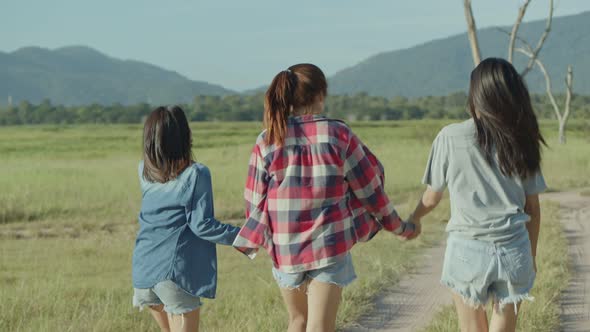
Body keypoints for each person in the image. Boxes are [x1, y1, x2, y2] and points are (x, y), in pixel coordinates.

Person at [232, 63, 415, 332]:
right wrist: (398, 226)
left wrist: (266, 240)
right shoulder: (339, 134)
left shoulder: (267, 139)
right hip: (329, 244)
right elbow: (370, 189)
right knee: (320, 326)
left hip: (285, 249)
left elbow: (254, 202)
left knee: (297, 321)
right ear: (320, 95)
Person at [408, 58, 546, 332]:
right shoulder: (522, 138)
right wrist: (530, 257)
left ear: (476, 95)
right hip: (514, 249)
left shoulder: (450, 136)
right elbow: (533, 207)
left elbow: (432, 198)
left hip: (467, 251)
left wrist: (414, 218)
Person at [132, 106, 240, 332]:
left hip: (143, 271)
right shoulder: (196, 173)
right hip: (174, 274)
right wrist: (243, 236)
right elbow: (203, 225)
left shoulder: (144, 171)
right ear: (185, 136)